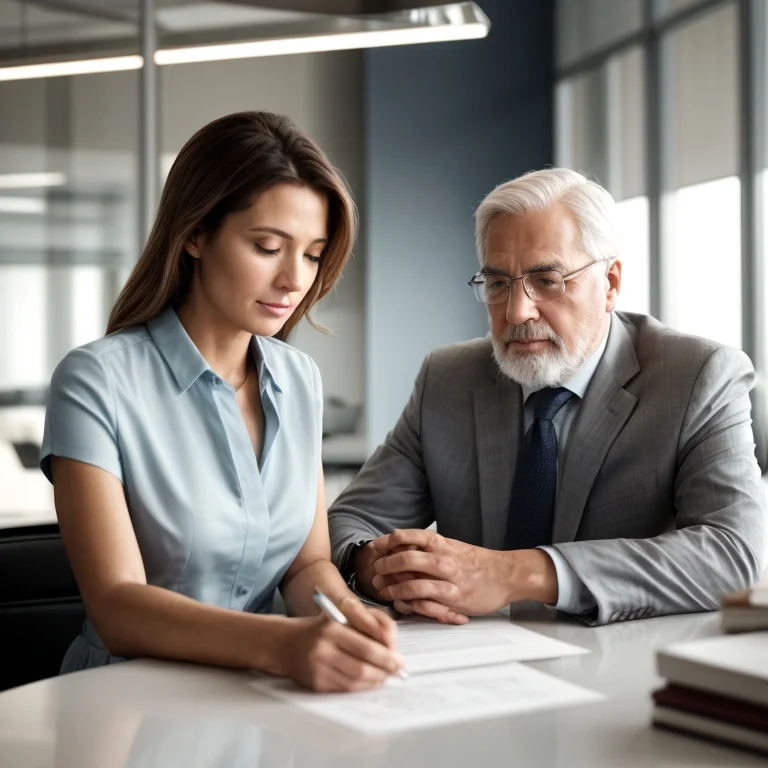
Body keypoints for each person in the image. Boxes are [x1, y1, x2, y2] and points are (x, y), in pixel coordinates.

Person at [41, 111, 404, 692]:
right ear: (194, 235)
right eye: (267, 246)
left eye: (312, 254)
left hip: (261, 690)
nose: (295, 280)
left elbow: (306, 565)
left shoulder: (299, 378)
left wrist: (350, 617)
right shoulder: (95, 381)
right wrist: (285, 645)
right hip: (127, 699)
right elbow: (117, 607)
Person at [329, 168, 767, 626]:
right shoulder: (446, 379)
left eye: (547, 280)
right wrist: (380, 570)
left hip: (622, 667)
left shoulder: (698, 376)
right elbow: (349, 521)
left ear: (611, 284)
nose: (517, 311)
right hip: (469, 662)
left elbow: (731, 554)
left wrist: (513, 573)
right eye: (498, 284)